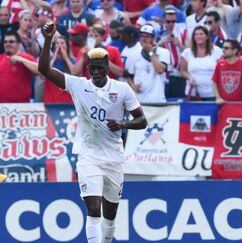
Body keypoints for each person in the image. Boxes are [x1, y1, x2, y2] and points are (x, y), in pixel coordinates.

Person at [38, 22, 147, 243]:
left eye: (100, 68)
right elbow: (44, 70)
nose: (96, 72)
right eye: (92, 68)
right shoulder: (78, 85)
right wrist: (48, 39)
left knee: (110, 215)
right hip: (88, 155)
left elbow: (142, 120)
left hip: (114, 157)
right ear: (88, 69)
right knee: (93, 207)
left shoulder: (122, 89)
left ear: (108, 68)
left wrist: (123, 124)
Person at [0, 32, 38, 103]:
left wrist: (22, 60)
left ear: (18, 44)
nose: (7, 44)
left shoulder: (26, 57)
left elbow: (40, 70)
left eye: (11, 41)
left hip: (18, 108)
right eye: (5, 42)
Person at [126, 24, 170, 103]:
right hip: (139, 101)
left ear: (153, 38)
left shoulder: (163, 52)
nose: (143, 39)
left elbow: (160, 70)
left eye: (146, 36)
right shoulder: (133, 55)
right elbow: (129, 76)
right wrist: (132, 86)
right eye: (142, 36)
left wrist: (150, 52)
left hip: (157, 100)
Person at [180, 25, 223, 101]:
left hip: (212, 93)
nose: (198, 36)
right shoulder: (187, 52)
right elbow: (182, 71)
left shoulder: (217, 51)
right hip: (193, 93)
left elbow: (222, 70)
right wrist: (189, 77)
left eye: (201, 34)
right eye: (196, 34)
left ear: (207, 36)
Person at [212, 39, 242, 103]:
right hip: (224, 105)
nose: (223, 50)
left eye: (226, 48)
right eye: (222, 47)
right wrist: (218, 98)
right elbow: (214, 82)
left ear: (235, 50)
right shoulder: (220, 64)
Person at [158, 5, 187, 98]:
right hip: (162, 74)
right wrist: (161, 43)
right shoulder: (157, 31)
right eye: (168, 21)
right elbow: (150, 50)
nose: (171, 24)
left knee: (177, 101)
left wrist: (179, 44)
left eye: (173, 21)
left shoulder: (183, 32)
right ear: (163, 20)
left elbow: (190, 53)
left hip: (178, 74)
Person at [43, 35, 75, 103]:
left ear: (67, 46)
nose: (59, 45)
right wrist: (54, 57)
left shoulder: (72, 60)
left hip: (68, 98)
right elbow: (43, 74)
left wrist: (65, 57)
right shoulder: (49, 59)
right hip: (51, 98)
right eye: (57, 43)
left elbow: (74, 73)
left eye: (62, 43)